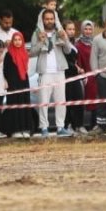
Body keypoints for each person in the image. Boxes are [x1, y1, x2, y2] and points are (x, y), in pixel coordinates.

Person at [28, 8, 74, 137]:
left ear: (55, 20)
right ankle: (44, 128)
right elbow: (32, 52)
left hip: (59, 71)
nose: (49, 21)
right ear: (42, 20)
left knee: (61, 101)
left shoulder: (59, 32)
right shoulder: (37, 33)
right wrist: (41, 41)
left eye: (51, 19)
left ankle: (60, 127)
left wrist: (64, 39)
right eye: (47, 19)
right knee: (43, 102)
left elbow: (68, 50)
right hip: (45, 72)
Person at [2, 32, 34, 139]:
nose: (17, 42)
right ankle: (15, 129)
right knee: (14, 104)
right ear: (12, 41)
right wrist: (6, 81)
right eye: (15, 40)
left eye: (19, 39)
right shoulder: (8, 54)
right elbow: (5, 70)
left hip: (23, 81)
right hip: (13, 83)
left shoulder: (25, 53)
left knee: (24, 104)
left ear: (22, 41)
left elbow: (25, 69)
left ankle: (25, 129)